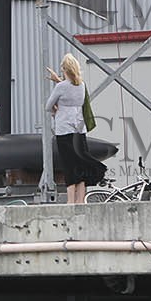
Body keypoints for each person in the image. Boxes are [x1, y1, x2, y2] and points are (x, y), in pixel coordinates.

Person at [46, 53, 106, 204]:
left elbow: (48, 106)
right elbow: (70, 89)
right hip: (80, 130)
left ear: (64, 69)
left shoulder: (60, 87)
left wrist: (56, 112)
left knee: (69, 165)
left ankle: (70, 202)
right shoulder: (82, 85)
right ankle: (80, 201)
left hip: (64, 130)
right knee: (80, 165)